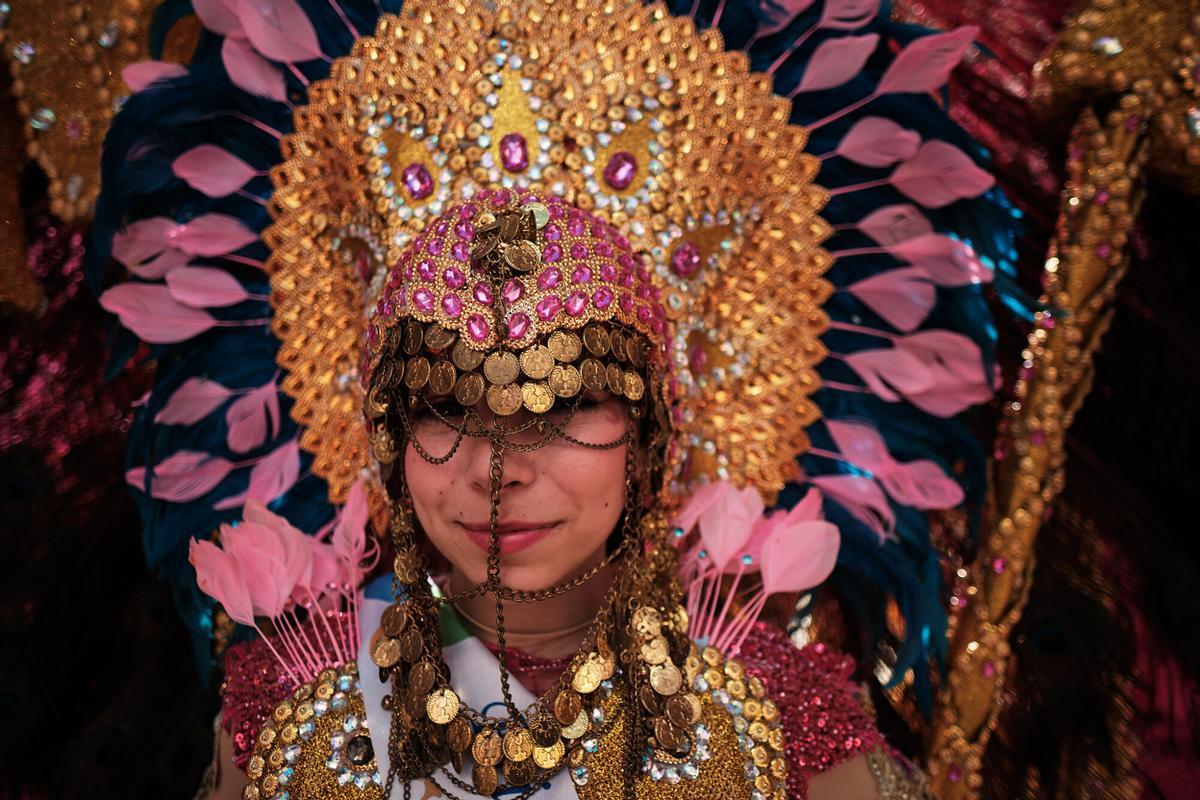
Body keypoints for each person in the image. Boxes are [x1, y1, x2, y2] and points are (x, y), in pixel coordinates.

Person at [92, 1, 1013, 798]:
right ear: (385, 439)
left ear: (650, 437)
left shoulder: (776, 726)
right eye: (446, 412)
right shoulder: (291, 719)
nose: (500, 473)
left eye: (564, 408)